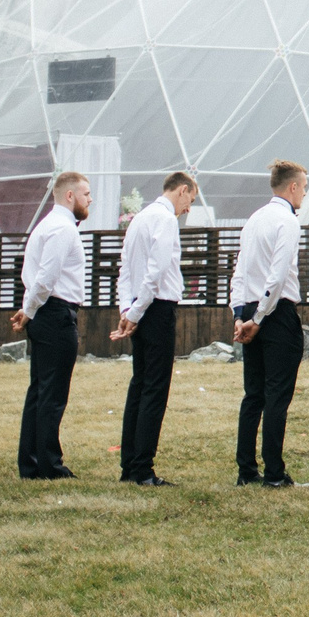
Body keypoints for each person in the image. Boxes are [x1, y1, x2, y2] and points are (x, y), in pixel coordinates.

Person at [109, 170, 196, 486]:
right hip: (156, 308)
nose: (188, 209)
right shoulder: (165, 219)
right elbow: (157, 270)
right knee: (155, 388)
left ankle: (129, 465)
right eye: (190, 200)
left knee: (139, 384)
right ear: (182, 190)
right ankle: (143, 468)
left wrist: (127, 309)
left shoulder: (139, 219)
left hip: (138, 305)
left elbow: (125, 270)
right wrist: (137, 311)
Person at [231, 159, 309, 487]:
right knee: (278, 394)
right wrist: (260, 317)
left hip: (250, 306)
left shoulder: (254, 219)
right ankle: (275, 473)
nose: (304, 193)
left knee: (254, 394)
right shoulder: (287, 221)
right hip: (274, 312)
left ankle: (247, 469)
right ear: (292, 187)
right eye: (303, 187)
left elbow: (240, 271)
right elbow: (277, 276)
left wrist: (240, 315)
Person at [11, 170, 91, 480]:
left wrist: (29, 309)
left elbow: (32, 274)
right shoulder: (62, 229)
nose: (90, 199)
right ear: (69, 196)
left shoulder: (47, 225)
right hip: (55, 312)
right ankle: (48, 464)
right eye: (86, 193)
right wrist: (29, 309)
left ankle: (31, 462)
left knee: (40, 390)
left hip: (44, 311)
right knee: (53, 393)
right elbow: (46, 276)